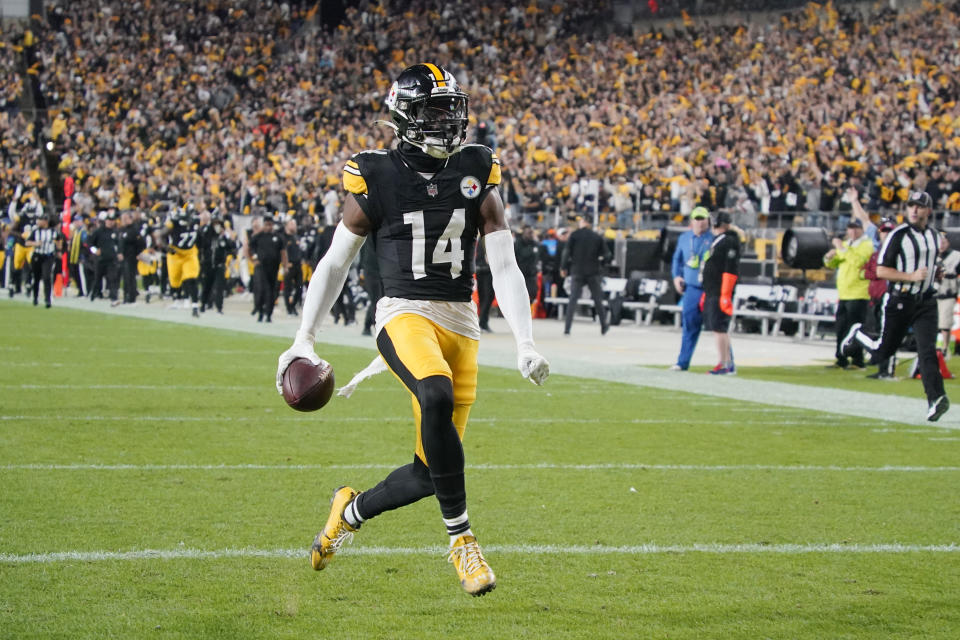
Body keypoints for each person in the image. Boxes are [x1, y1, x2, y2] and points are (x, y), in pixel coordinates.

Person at [276, 63, 549, 596]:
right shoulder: (375, 173)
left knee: (429, 473)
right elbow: (335, 263)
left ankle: (346, 514)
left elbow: (505, 263)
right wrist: (303, 337)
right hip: (402, 312)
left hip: (460, 321)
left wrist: (525, 340)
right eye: (434, 110)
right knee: (435, 392)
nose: (448, 121)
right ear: (404, 115)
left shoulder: (476, 166)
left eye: (453, 109)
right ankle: (463, 543)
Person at [840, 191, 949, 421]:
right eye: (911, 206)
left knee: (927, 351)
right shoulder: (898, 235)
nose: (914, 210)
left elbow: (928, 264)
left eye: (919, 206)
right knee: (882, 353)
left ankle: (936, 399)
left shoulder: (933, 236)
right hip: (900, 299)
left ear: (928, 210)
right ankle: (858, 334)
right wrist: (910, 276)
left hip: (926, 301)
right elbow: (881, 271)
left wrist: (936, 273)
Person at [823, 219, 874, 369]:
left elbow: (858, 262)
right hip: (844, 293)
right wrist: (828, 257)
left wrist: (842, 249)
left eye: (856, 228)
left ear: (861, 230)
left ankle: (857, 360)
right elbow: (833, 263)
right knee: (841, 328)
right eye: (850, 229)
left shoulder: (867, 245)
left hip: (859, 293)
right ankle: (841, 359)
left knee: (855, 329)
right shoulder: (847, 244)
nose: (852, 232)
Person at [669, 206, 714, 371]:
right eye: (698, 218)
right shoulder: (684, 238)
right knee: (689, 326)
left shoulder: (714, 238)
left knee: (718, 327)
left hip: (710, 288)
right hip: (692, 288)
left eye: (703, 219)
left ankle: (726, 362)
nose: (700, 222)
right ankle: (682, 362)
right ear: (692, 221)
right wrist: (676, 276)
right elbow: (677, 259)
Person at [700, 211, 740, 375]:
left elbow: (730, 269)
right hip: (713, 290)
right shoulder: (719, 240)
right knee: (718, 327)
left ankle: (724, 363)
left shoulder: (728, 241)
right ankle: (726, 362)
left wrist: (725, 294)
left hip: (719, 290)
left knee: (719, 327)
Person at [561, 215, 612, 335]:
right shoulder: (596, 237)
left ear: (584, 222)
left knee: (573, 299)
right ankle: (604, 325)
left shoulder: (574, 235)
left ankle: (567, 328)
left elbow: (566, 252)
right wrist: (601, 262)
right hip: (593, 271)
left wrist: (563, 267)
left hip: (577, 270)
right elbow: (608, 255)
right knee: (597, 299)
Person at [863, 217, 896, 378]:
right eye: (884, 231)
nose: (886, 234)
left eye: (889, 231)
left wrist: (878, 273)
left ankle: (886, 369)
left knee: (888, 332)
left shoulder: (896, 252)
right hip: (875, 296)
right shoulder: (876, 254)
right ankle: (879, 364)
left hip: (890, 295)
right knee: (875, 331)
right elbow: (867, 272)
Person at [25, 215, 62, 308]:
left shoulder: (53, 232)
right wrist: (35, 243)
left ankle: (47, 299)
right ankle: (35, 297)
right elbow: (27, 242)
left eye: (40, 220)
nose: (38, 222)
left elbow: (59, 239)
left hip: (48, 256)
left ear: (45, 221)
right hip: (37, 256)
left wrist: (58, 249)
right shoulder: (36, 231)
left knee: (47, 276)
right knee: (36, 277)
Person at [936, 233, 960, 359]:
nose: (941, 245)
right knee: (933, 322)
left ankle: (944, 348)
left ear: (948, 243)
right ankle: (935, 347)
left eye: (943, 242)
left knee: (945, 323)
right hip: (932, 294)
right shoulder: (932, 255)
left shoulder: (956, 257)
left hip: (948, 293)